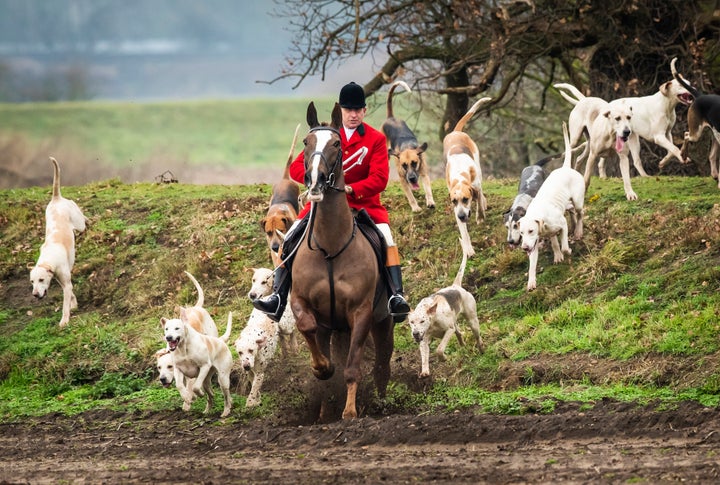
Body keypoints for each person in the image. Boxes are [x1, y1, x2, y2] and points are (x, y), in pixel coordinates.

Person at [252, 81, 411, 323]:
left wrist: (349, 189)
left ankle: (395, 296)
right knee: (292, 233)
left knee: (386, 237)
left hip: (363, 206)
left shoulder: (376, 139)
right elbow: (296, 168)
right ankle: (278, 297)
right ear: (341, 111)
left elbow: (379, 180)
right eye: (349, 110)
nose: (353, 114)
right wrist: (313, 177)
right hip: (322, 207)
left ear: (365, 111)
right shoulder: (324, 137)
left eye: (358, 109)